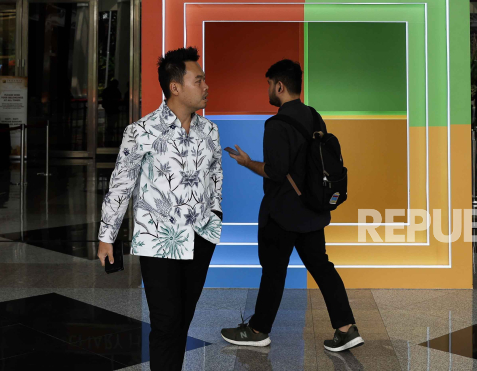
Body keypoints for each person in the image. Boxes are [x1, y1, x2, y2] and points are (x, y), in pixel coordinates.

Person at [220, 59, 363, 353]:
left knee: (274, 272)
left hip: (282, 213)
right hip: (313, 210)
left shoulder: (276, 124)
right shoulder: (314, 116)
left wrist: (247, 163)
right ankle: (346, 329)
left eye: (270, 85)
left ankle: (258, 330)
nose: (269, 90)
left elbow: (275, 170)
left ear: (280, 86)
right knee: (322, 268)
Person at [97, 47, 223, 371]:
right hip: (159, 243)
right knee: (166, 323)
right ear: (176, 87)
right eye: (200, 80)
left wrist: (215, 217)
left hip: (200, 239)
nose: (207, 86)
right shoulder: (140, 132)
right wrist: (106, 236)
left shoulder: (209, 131)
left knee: (181, 321)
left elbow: (215, 176)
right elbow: (121, 185)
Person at [101, 78, 122, 146]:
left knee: (110, 124)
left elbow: (103, 99)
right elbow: (119, 98)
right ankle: (110, 137)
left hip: (109, 109)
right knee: (112, 124)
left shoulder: (106, 90)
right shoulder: (116, 91)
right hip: (114, 110)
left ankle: (108, 138)